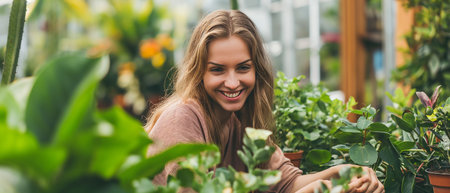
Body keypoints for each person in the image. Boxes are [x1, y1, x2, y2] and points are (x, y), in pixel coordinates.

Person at [145, 9, 384, 193]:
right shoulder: (182, 118)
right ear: (199, 73)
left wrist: (344, 173)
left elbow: (286, 182)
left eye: (243, 68)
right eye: (217, 70)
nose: (232, 82)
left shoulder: (238, 122)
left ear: (256, 71)